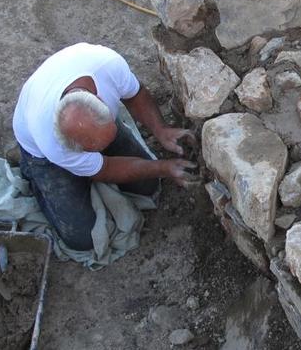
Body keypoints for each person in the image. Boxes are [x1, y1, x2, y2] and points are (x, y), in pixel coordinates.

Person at [13, 43, 197, 251]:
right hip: (42, 156)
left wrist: (161, 130)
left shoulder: (107, 65)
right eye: (91, 150)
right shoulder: (50, 140)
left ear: (101, 100)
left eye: (103, 141)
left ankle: (88, 159)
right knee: (82, 239)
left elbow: (135, 95)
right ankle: (35, 174)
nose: (101, 150)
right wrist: (164, 167)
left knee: (148, 186)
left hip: (90, 125)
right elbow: (104, 169)